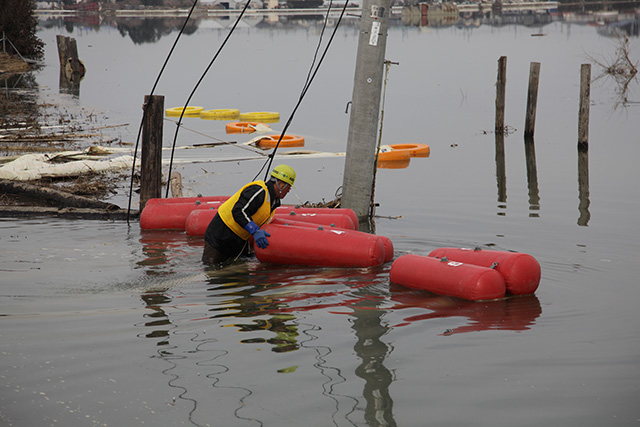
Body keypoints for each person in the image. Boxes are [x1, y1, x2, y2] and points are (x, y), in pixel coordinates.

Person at [202, 164, 296, 265]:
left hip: (239, 240)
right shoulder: (259, 191)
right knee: (212, 269)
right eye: (289, 187)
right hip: (220, 235)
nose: (289, 191)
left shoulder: (273, 202)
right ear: (281, 184)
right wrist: (255, 230)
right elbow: (239, 211)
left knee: (239, 269)